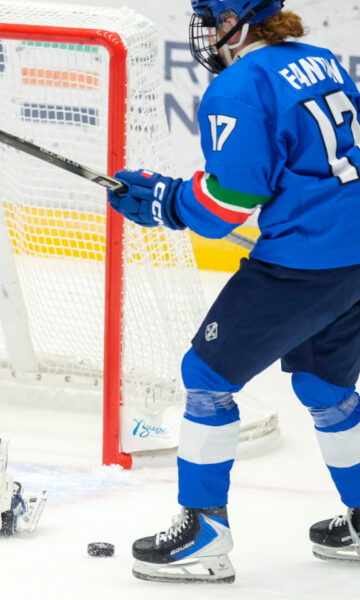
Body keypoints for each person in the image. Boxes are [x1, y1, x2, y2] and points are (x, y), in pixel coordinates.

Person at [107, 0, 360, 582]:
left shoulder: (239, 86)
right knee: (326, 387)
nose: (204, 29)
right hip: (352, 256)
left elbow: (229, 205)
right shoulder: (318, 59)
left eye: (210, 16)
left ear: (234, 21)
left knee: (206, 378)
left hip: (303, 262)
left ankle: (203, 533)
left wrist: (166, 201)